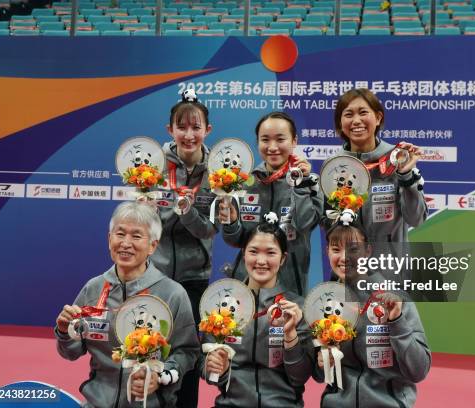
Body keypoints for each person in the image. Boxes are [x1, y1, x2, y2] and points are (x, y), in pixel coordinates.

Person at [55, 202, 200, 407]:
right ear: (109, 239)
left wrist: (160, 375)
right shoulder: (93, 289)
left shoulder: (173, 293)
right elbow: (70, 352)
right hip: (97, 402)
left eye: (136, 236)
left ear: (153, 245)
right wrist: (64, 331)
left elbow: (188, 352)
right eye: (120, 234)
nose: (125, 243)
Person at [315, 217, 431, 407]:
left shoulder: (395, 298)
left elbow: (419, 370)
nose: (344, 257)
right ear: (327, 251)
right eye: (336, 249)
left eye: (353, 249)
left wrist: (397, 322)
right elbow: (319, 375)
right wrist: (321, 363)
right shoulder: (324, 302)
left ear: (368, 251)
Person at [149, 89, 218, 408]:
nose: (189, 134)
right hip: (154, 277)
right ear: (170, 130)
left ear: (208, 130)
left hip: (194, 279)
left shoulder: (219, 172)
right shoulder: (152, 166)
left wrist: (185, 209)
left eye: (196, 127)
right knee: (149, 347)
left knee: (188, 355)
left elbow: (208, 228)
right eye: (182, 126)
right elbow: (146, 225)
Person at [203, 216, 314, 407]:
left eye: (271, 253)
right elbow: (208, 371)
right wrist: (215, 370)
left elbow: (300, 378)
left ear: (283, 259)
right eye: (253, 251)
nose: (261, 261)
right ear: (244, 254)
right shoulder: (221, 306)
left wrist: (290, 335)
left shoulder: (297, 309)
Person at [220, 111, 323, 297]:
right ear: (258, 142)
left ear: (294, 141)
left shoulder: (311, 183)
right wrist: (231, 223)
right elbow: (235, 240)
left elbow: (304, 224)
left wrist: (300, 184)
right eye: (265, 140)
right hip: (248, 283)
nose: (272, 147)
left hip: (291, 285)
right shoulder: (245, 183)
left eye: (280, 139)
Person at [327, 88, 427, 279]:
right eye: (348, 114)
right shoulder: (333, 167)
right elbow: (328, 223)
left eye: (363, 112)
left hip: (391, 273)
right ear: (340, 123)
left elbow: (417, 219)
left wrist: (405, 175)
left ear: (378, 118)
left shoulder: (397, 159)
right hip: (348, 273)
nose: (356, 121)